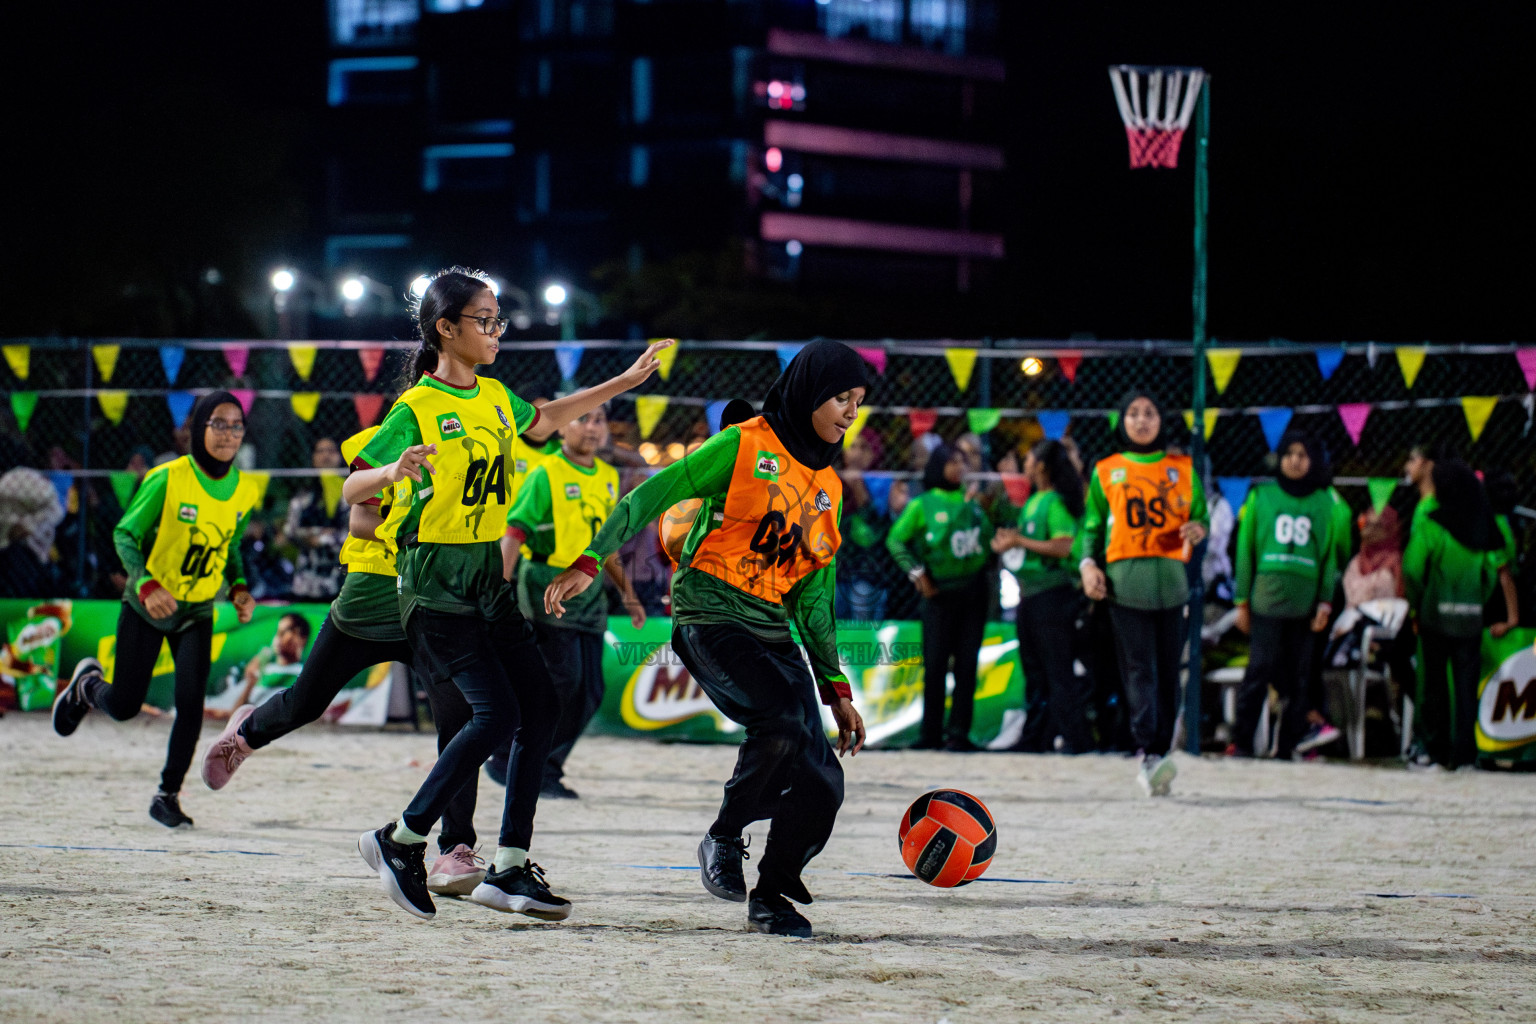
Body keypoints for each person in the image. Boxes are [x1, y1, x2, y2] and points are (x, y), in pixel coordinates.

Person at [342, 267, 672, 921]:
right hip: (435, 581)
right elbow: (352, 490)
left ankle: (511, 867)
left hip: (487, 584)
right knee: (491, 716)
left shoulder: (494, 397)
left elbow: (546, 418)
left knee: (541, 708)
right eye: (484, 320)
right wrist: (391, 469)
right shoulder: (416, 409)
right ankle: (398, 840)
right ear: (446, 328)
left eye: (499, 320)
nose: (496, 330)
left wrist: (626, 382)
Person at [543, 339, 867, 938]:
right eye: (841, 397)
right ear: (806, 393)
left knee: (825, 781)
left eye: (859, 401)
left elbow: (815, 595)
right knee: (781, 725)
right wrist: (588, 562)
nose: (851, 411)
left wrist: (835, 685)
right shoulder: (743, 444)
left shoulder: (831, 489)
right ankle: (724, 834)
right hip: (709, 614)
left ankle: (770, 897)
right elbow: (648, 496)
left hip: (770, 628)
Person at [200, 423, 490, 899]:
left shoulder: (474, 438)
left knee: (458, 720)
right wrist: (427, 542)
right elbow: (358, 522)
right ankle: (244, 736)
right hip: (371, 596)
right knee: (305, 703)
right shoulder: (389, 436)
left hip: (430, 600)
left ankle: (454, 849)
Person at [51, 392, 258, 828]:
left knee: (190, 704)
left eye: (236, 425)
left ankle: (167, 795)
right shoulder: (166, 478)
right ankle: (87, 687)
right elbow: (125, 535)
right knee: (125, 706)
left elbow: (231, 546)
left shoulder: (245, 488)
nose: (228, 434)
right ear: (197, 428)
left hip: (197, 610)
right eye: (218, 424)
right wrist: (145, 584)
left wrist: (239, 587)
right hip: (147, 608)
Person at [501, 404, 646, 799]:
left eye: (600, 419)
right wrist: (500, 586)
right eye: (584, 419)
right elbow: (515, 531)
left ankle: (537, 763)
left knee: (591, 690)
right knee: (562, 682)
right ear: (562, 429)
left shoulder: (608, 476)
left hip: (590, 592)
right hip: (547, 585)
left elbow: (608, 546)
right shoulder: (546, 472)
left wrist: (629, 595)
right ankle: (524, 763)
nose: (593, 427)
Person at [1076, 390, 1208, 796]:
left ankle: (1160, 751)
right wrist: (1087, 565)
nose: (1141, 419)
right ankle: (1149, 752)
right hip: (1124, 585)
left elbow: (1199, 516)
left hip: (1172, 586)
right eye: (1133, 412)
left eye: (1149, 412)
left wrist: (1199, 529)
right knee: (1140, 671)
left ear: (1161, 421)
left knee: (1170, 673)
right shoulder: (1106, 470)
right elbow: (1092, 527)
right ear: (1122, 421)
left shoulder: (1183, 469)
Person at [1229, 430, 1342, 759]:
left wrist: (1324, 600)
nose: (1294, 460)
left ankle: (1288, 746)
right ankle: (1243, 742)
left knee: (1300, 677)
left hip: (1304, 605)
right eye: (1289, 453)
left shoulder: (1323, 501)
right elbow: (1245, 550)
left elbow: (1328, 556)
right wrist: (1241, 601)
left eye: (1302, 454)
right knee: (1259, 670)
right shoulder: (1262, 495)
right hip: (1266, 599)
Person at [886, 443, 993, 751]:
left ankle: (959, 733)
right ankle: (929, 734)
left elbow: (986, 542)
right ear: (938, 466)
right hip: (938, 591)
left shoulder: (972, 501)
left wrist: (982, 513)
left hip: (973, 590)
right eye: (952, 461)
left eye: (962, 461)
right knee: (934, 664)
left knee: (967, 663)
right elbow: (896, 541)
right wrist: (917, 574)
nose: (959, 467)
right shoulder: (923, 504)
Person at [1404, 460, 1507, 769]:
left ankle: (1431, 751)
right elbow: (1490, 575)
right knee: (1465, 688)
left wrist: (1416, 604)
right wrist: (1477, 602)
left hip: (1434, 616)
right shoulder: (1481, 527)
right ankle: (1465, 755)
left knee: (1432, 684)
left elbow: (1412, 568)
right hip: (1470, 618)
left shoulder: (1432, 523)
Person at [992, 439, 1089, 754]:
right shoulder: (1035, 501)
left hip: (1053, 595)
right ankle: (1037, 738)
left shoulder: (1055, 503)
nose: (1026, 461)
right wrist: (1012, 542)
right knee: (1035, 671)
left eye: (1030, 456)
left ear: (1042, 465)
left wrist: (1019, 541)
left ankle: (1075, 739)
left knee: (1057, 671)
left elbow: (1064, 545)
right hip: (1031, 595)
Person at [206, 611, 311, 717]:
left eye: (284, 632)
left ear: (301, 638)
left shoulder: (300, 676)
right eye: (278, 632)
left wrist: (250, 684)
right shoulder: (265, 669)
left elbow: (239, 716)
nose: (278, 637)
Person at [287, 436, 350, 600]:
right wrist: (325, 533)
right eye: (320, 451)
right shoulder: (304, 496)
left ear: (339, 456)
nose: (325, 456)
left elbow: (352, 533)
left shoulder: (349, 493)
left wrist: (319, 538)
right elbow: (291, 531)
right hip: (305, 580)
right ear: (313, 458)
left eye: (331, 451)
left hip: (338, 579)